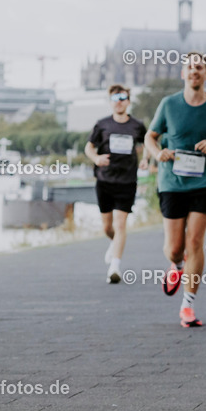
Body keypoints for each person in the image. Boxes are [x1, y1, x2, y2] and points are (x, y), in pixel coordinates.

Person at [144, 52, 206, 327]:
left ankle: (187, 305)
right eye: (189, 67)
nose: (194, 71)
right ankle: (177, 265)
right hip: (172, 182)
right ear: (183, 73)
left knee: (195, 242)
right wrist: (158, 152)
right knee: (174, 248)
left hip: (204, 181)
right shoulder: (169, 104)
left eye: (199, 67)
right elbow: (150, 136)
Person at [85, 84, 148, 283]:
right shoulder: (102, 124)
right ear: (110, 102)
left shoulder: (137, 125)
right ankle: (114, 244)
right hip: (105, 180)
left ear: (128, 101)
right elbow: (89, 147)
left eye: (122, 98)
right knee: (107, 227)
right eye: (115, 98)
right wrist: (96, 158)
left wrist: (146, 158)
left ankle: (115, 267)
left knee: (120, 224)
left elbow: (148, 142)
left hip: (127, 180)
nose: (119, 102)